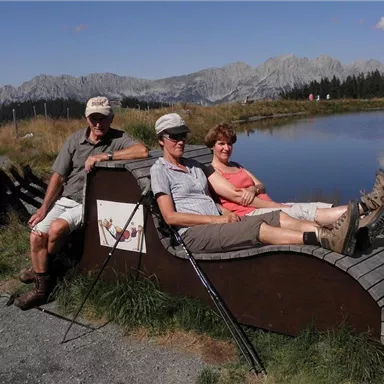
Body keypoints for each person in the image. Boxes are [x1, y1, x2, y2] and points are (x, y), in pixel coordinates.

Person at [150, 113, 368, 259]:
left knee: (279, 216)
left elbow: (210, 199)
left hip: (219, 223)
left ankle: (341, 235)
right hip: (194, 234)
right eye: (174, 137)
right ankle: (323, 239)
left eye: (183, 136)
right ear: (161, 140)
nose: (180, 141)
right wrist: (217, 218)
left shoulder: (195, 166)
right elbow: (170, 217)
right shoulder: (159, 170)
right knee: (257, 228)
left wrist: (224, 211)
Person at [14, 96, 149, 310]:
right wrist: (43, 208)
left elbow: (142, 151)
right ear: (87, 118)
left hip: (89, 202)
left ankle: (42, 285)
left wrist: (106, 156)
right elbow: (58, 176)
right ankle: (44, 271)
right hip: (67, 198)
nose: (98, 124)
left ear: (111, 118)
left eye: (103, 118)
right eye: (93, 118)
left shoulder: (118, 138)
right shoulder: (75, 140)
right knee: (37, 234)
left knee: (56, 228)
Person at [203, 123, 384, 249]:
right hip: (252, 214)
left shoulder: (236, 165)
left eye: (229, 143)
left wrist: (253, 189)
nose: (226, 148)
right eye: (221, 144)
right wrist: (279, 206)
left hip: (272, 207)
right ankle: (369, 205)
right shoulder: (212, 172)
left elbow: (261, 185)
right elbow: (239, 198)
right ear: (212, 146)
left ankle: (359, 232)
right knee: (312, 212)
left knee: (316, 210)